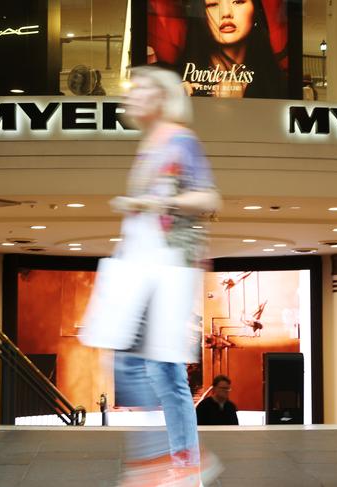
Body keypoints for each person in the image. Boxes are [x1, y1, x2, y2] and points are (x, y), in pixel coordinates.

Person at [108, 66, 222, 486]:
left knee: (154, 368)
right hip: (147, 268)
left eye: (140, 90)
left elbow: (208, 196)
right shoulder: (149, 147)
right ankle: (180, 459)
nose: (132, 97)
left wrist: (153, 204)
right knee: (147, 366)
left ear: (161, 97)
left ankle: (180, 459)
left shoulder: (178, 140)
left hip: (169, 270)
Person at [178, 0, 286, 98]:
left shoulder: (279, 85)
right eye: (212, 4)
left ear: (255, 10)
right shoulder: (176, 82)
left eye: (238, 2)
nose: (226, 13)